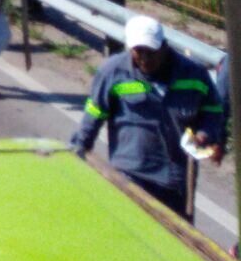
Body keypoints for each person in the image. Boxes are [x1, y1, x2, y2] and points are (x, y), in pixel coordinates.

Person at [72, 16, 225, 219]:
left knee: (173, 235)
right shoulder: (114, 72)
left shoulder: (193, 74)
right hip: (129, 173)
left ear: (164, 46)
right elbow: (94, 114)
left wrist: (205, 134)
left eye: (151, 51)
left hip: (174, 180)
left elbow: (213, 111)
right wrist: (78, 150)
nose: (144, 58)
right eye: (138, 51)